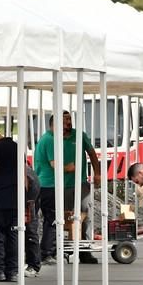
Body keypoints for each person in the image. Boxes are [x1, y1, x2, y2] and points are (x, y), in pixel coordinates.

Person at [34, 111, 101, 265]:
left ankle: (83, 251)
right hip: (53, 185)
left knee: (84, 217)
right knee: (56, 219)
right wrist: (68, 167)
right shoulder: (49, 140)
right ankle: (50, 252)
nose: (69, 123)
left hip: (78, 183)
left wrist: (97, 173)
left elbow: (92, 153)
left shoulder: (79, 135)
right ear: (54, 124)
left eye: (69, 119)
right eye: (65, 121)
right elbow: (54, 165)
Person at [0, 127, 41, 282]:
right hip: (17, 200)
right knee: (13, 236)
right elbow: (24, 176)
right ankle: (13, 271)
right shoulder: (16, 147)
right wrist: (26, 199)